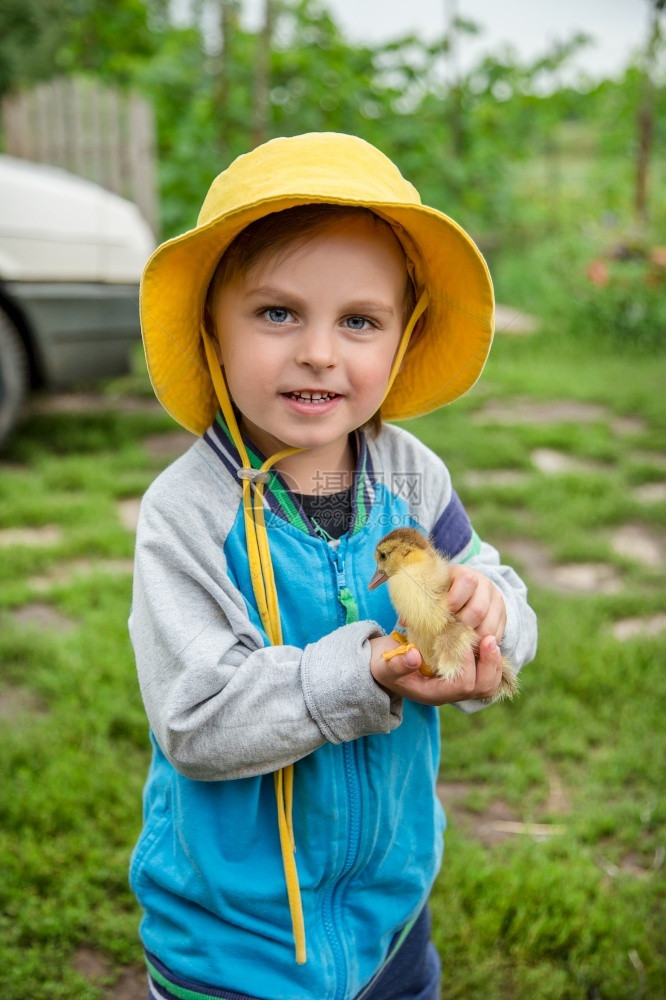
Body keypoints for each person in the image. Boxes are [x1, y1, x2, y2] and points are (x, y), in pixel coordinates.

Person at [130, 131, 537, 1000]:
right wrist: (364, 674)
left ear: (404, 335)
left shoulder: (411, 478)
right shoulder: (188, 513)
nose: (320, 351)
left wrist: (491, 611)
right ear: (211, 327)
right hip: (236, 945)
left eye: (359, 321)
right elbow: (196, 718)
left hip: (391, 919)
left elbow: (496, 581)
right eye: (278, 313)